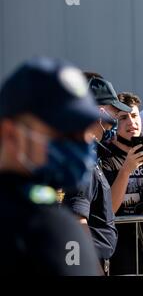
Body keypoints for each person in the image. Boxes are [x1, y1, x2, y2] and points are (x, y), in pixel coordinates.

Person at [0, 57, 101, 275]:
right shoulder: (40, 223)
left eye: (85, 131)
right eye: (66, 131)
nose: (83, 142)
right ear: (10, 134)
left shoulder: (52, 217)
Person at [63, 75, 132, 275]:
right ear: (100, 112)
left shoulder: (87, 154)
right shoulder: (82, 160)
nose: (117, 117)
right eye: (115, 111)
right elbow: (77, 221)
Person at [99, 92, 143, 275]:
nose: (131, 122)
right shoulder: (104, 157)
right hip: (121, 252)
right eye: (123, 117)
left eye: (134, 116)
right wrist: (126, 170)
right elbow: (110, 207)